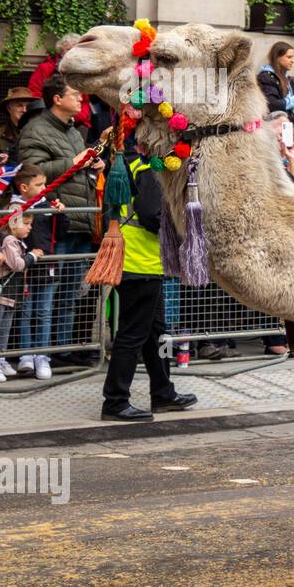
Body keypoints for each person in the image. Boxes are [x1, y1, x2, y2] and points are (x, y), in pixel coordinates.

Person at [100, 144, 198, 421]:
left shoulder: (130, 165)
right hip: (140, 262)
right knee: (132, 335)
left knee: (158, 333)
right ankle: (115, 401)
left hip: (139, 261)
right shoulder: (147, 169)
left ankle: (163, 392)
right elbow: (150, 214)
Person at [16, 73, 105, 367]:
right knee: (45, 297)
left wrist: (93, 165)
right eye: (75, 94)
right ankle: (38, 354)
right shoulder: (35, 130)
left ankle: (61, 352)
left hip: (80, 220)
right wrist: (75, 161)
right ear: (57, 99)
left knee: (69, 295)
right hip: (54, 225)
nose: (81, 98)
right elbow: (32, 172)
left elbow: (77, 169)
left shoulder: (73, 131)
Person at [11, 167, 64, 380]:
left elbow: (60, 232)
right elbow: (12, 234)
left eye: (45, 184)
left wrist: (60, 215)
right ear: (24, 187)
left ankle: (42, 356)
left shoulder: (47, 206)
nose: (45, 188)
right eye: (39, 185)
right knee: (25, 312)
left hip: (46, 266)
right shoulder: (14, 207)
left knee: (44, 312)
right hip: (25, 267)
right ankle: (25, 355)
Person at [0, 214, 41, 383]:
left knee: (5, 328)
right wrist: (33, 256)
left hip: (11, 293)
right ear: (13, 225)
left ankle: (1, 358)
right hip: (0, 291)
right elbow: (17, 265)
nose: (30, 227)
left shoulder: (18, 241)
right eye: (26, 224)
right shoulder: (9, 241)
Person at [258, 41, 294, 131]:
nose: (293, 61)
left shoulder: (288, 79)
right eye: (289, 57)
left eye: (293, 57)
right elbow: (273, 105)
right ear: (277, 58)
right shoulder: (267, 77)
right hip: (280, 130)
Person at [0, 87, 35, 160]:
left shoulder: (41, 133)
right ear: (9, 108)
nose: (24, 110)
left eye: (28, 106)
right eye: (19, 105)